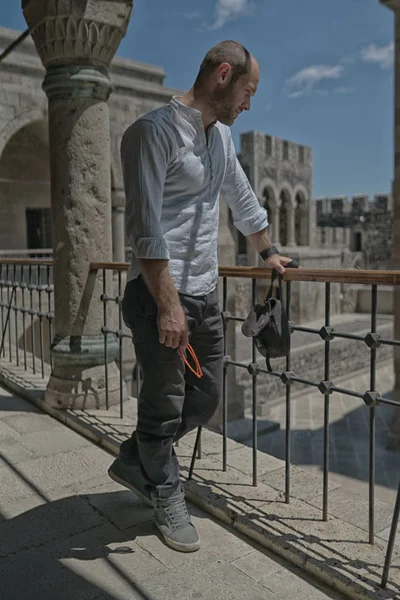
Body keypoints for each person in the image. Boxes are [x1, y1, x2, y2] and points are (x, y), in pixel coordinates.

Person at [108, 40, 293, 553]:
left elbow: (242, 198)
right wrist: (168, 305)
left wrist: (268, 252)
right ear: (223, 76)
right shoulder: (152, 132)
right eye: (248, 92)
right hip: (158, 294)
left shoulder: (221, 140)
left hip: (206, 294)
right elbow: (145, 227)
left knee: (206, 395)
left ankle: (136, 458)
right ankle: (165, 492)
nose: (248, 104)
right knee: (165, 401)